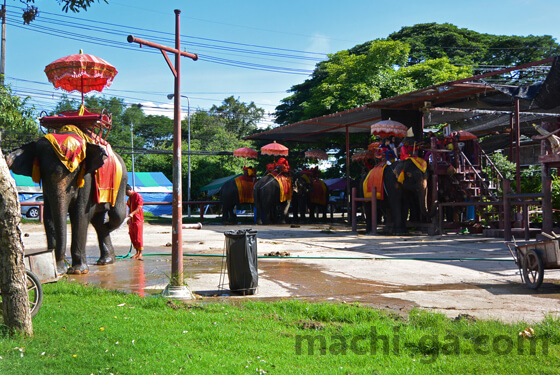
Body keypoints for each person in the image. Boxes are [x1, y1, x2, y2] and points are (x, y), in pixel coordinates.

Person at [126, 184, 144, 260]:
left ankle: (140, 253)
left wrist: (132, 214)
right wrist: (129, 218)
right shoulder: (130, 198)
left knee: (138, 237)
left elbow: (139, 208)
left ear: (130, 189)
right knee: (132, 236)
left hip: (138, 220)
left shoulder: (138, 196)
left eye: (126, 192)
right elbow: (128, 207)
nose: (126, 194)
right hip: (132, 221)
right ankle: (137, 252)